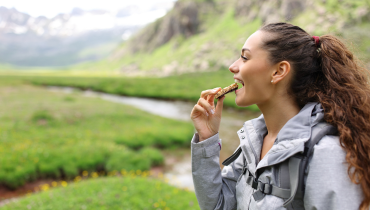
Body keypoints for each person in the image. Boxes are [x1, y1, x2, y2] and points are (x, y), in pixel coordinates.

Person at [190, 22, 369, 210]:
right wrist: (206, 138)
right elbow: (219, 206)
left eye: (245, 57)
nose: (232, 67)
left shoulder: (325, 155)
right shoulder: (252, 144)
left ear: (278, 72)